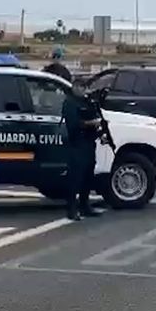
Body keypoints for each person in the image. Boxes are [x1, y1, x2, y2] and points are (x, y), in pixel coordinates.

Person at [59, 71, 104, 221]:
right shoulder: (70, 103)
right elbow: (73, 125)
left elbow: (95, 116)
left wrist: (99, 129)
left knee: (87, 177)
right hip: (77, 144)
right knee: (75, 178)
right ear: (74, 87)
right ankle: (71, 209)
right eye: (81, 86)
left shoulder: (87, 102)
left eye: (85, 87)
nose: (83, 90)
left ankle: (85, 205)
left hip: (89, 143)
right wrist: (91, 123)